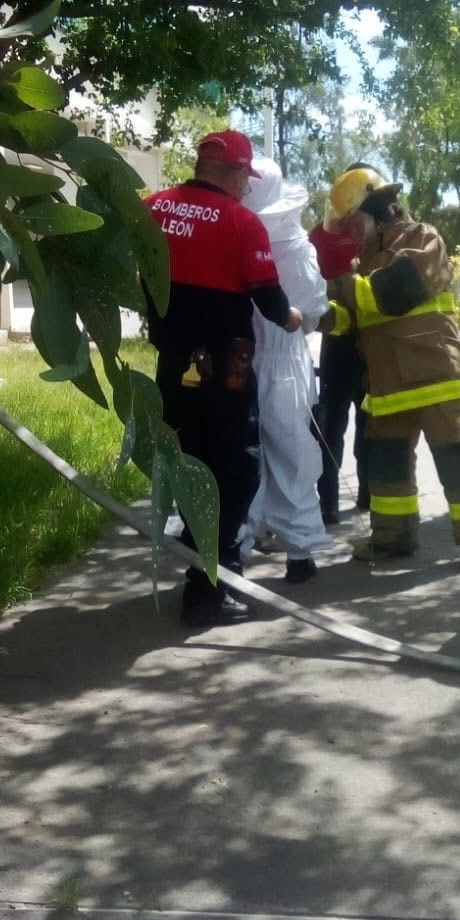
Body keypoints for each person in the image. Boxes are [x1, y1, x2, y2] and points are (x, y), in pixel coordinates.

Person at [144, 129, 302, 627]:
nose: (244, 187)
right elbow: (269, 299)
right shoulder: (241, 222)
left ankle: (202, 566)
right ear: (235, 172)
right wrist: (293, 317)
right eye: (244, 178)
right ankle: (210, 586)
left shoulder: (153, 210)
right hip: (224, 375)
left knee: (189, 464)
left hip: (173, 368)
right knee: (236, 472)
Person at [321, 168, 460, 568]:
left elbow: (395, 291)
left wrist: (337, 288)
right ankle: (393, 538)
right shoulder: (361, 259)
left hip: (434, 377)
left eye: (353, 222)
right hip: (387, 384)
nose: (349, 232)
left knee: (455, 457)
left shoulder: (422, 239)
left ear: (375, 212)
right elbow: (355, 317)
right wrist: (324, 316)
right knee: (387, 465)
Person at [242, 155, 330, 584]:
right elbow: (313, 306)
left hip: (238, 359)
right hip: (285, 359)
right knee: (293, 454)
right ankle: (299, 554)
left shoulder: (234, 234)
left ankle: (234, 551)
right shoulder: (297, 246)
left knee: (240, 455)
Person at [309, 167, 375, 523]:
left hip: (358, 343)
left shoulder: (373, 233)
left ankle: (351, 499)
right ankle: (334, 502)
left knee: (355, 423)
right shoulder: (324, 235)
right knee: (337, 424)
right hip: (344, 342)